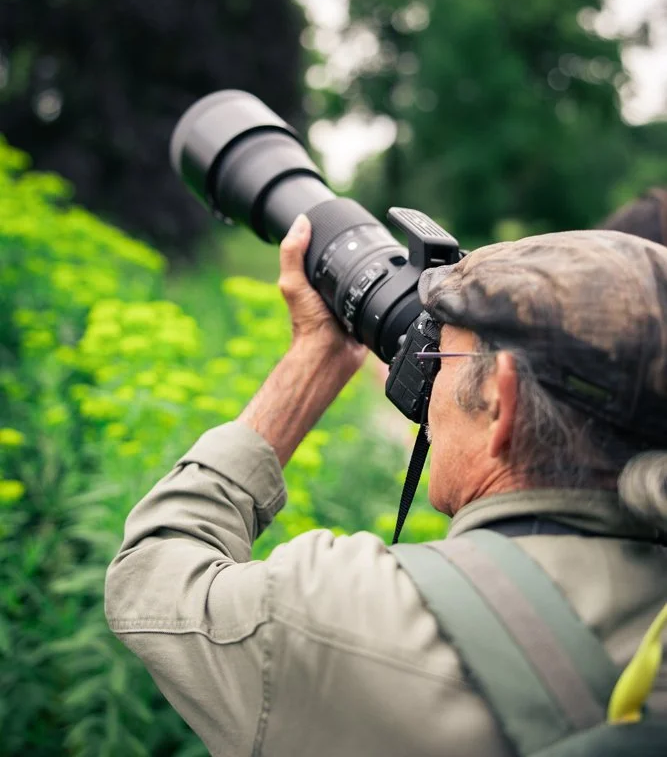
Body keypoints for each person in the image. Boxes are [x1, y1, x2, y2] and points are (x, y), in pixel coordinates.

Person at [105, 217, 667, 757]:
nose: (424, 381)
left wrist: (310, 362)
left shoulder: (342, 610)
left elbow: (150, 577)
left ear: (501, 400)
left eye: (437, 354)